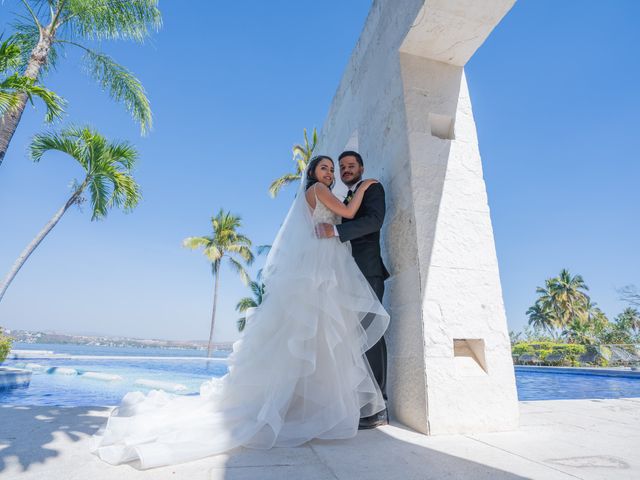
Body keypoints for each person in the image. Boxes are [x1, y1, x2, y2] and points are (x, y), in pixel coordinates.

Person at [91, 155, 389, 469]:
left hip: (327, 269)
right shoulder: (320, 190)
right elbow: (350, 212)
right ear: (313, 173)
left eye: (335, 168)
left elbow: (355, 219)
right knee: (317, 335)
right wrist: (365, 186)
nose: (332, 172)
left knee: (317, 338)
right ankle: (331, 407)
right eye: (325, 167)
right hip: (320, 272)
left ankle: (321, 404)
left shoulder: (321, 193)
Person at [315, 150, 390, 429]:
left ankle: (379, 407)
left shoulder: (372, 188)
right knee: (354, 338)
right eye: (342, 167)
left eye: (351, 166)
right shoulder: (346, 198)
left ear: (361, 168)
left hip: (367, 271)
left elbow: (374, 222)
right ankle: (360, 402)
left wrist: (335, 232)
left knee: (371, 335)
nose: (346, 170)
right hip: (345, 277)